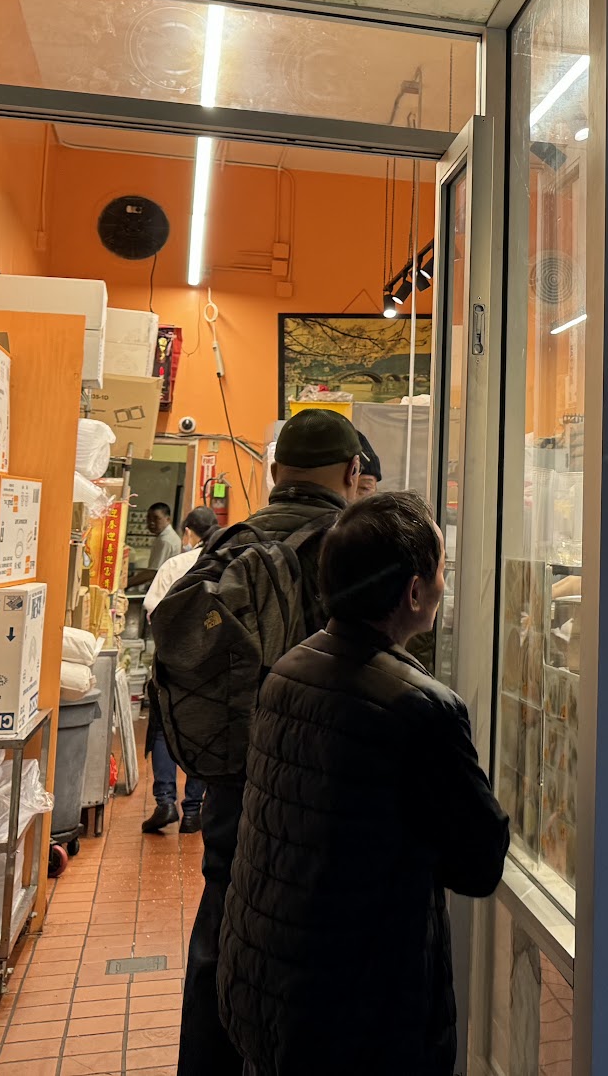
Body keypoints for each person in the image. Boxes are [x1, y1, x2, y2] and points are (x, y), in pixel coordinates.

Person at [219, 492, 508, 1076]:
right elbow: (480, 861)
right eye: (442, 572)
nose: (443, 586)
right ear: (414, 591)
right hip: (358, 1019)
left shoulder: (288, 671)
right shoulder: (420, 708)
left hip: (267, 987)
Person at [176, 408, 363, 1076]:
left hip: (234, 775)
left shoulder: (228, 543)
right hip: (328, 782)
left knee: (224, 921)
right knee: (327, 941)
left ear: (276, 471)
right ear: (352, 472)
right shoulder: (352, 543)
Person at [141, 506, 221, 834]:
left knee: (163, 728)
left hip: (172, 661)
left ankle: (164, 802)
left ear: (188, 532)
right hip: (209, 664)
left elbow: (151, 610)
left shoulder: (176, 565)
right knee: (202, 731)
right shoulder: (224, 566)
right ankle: (192, 810)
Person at [145, 501, 181, 573]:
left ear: (168, 519)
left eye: (156, 518)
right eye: (149, 518)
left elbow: (153, 572)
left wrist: (127, 583)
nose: (151, 522)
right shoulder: (165, 536)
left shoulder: (165, 540)